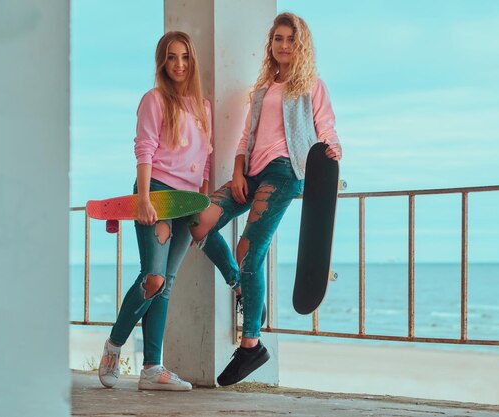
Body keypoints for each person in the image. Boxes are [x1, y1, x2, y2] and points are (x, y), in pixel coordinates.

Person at [190, 12, 342, 386]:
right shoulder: (260, 90)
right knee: (198, 222)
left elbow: (326, 127)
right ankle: (238, 282)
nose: (284, 45)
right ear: (271, 44)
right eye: (278, 39)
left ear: (300, 44)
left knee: (248, 252)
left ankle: (250, 343)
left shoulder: (311, 86)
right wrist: (239, 171)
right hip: (253, 173)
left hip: (286, 172)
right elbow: (245, 138)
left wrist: (333, 152)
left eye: (290, 39)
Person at [98, 31, 212, 391]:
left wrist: (202, 206)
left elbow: (205, 162)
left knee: (168, 284)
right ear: (162, 63)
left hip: (189, 201)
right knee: (154, 277)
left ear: (192, 61)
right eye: (171, 57)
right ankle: (114, 346)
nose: (178, 64)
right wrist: (144, 198)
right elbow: (144, 149)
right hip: (159, 194)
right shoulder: (154, 100)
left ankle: (152, 369)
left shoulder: (203, 106)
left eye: (184, 57)